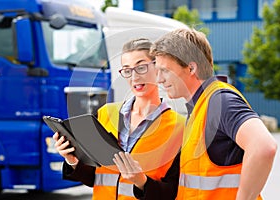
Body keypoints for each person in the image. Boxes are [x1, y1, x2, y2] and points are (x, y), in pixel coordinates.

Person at [150, 28, 277, 200]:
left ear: (191, 68)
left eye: (165, 70)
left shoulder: (220, 101)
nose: (159, 79)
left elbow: (264, 146)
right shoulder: (200, 107)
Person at [53, 38, 185, 200]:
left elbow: (173, 193)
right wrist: (72, 160)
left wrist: (141, 182)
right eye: (127, 70)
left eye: (141, 67)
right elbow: (94, 177)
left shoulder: (179, 128)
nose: (134, 77)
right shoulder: (105, 114)